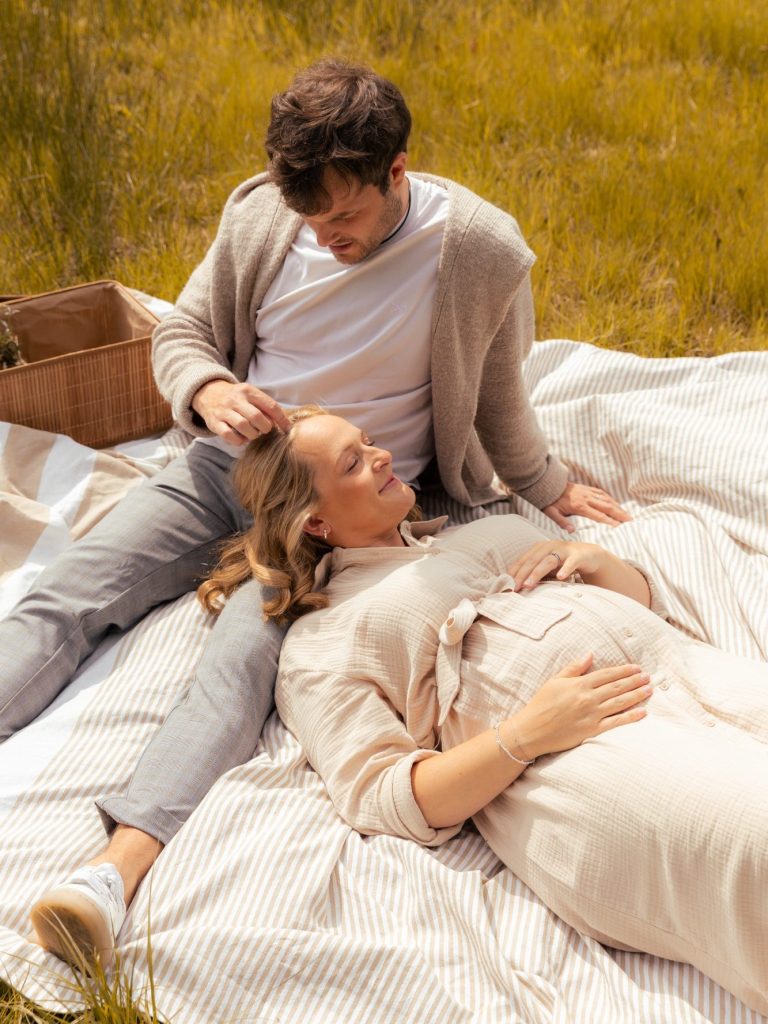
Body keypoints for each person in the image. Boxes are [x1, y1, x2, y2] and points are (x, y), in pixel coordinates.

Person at [18, 60, 627, 966]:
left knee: (236, 673)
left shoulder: (481, 250)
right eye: (310, 218)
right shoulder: (263, 212)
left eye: (342, 216)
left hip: (343, 511)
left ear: (397, 171)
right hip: (228, 467)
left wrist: (543, 483)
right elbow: (183, 332)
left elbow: (500, 398)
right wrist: (209, 386)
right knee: (66, 595)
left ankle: (111, 873)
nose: (324, 235)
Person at [198, 407, 762, 1015]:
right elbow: (381, 795)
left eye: (368, 440)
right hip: (580, 756)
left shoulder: (479, 531)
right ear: (315, 521)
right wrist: (525, 734)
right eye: (353, 463)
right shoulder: (324, 639)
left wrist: (598, 564)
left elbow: (647, 601)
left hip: (684, 668)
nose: (381, 455)